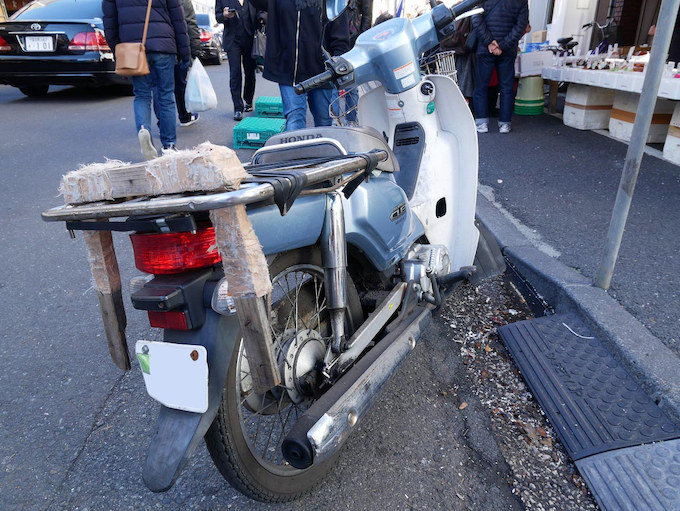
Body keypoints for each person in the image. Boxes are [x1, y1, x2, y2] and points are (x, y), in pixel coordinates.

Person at [103, 0, 190, 159]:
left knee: (142, 95)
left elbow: (109, 24)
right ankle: (169, 145)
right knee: (166, 95)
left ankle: (144, 129)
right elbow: (178, 19)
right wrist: (185, 53)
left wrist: (119, 50)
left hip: (133, 48)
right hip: (163, 45)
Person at [251, 0, 349, 131]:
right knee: (294, 121)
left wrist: (337, 61)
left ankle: (324, 152)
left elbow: (339, 31)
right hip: (289, 70)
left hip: (322, 72)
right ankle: (296, 151)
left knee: (324, 122)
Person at [471, 0, 528, 134]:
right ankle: (504, 124)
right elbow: (521, 25)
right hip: (507, 51)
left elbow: (476, 19)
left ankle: (481, 123)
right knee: (506, 88)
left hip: (485, 49)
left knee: (481, 87)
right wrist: (503, 45)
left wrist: (489, 42)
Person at [153, 0, 201, 128]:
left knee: (159, 88)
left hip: (155, 48)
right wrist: (195, 50)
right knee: (180, 85)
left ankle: (163, 123)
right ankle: (184, 116)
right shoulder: (183, 1)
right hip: (178, 49)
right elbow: (190, 24)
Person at [216, 0, 259, 121]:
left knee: (250, 72)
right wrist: (224, 16)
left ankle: (248, 100)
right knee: (235, 73)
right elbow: (217, 17)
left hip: (250, 38)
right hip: (232, 40)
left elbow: (260, 11)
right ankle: (238, 108)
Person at [341, 0, 372, 123]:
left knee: (351, 84)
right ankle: (333, 122)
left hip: (352, 39)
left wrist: (361, 41)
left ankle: (351, 121)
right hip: (334, 36)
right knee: (332, 85)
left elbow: (367, 15)